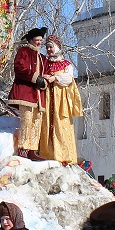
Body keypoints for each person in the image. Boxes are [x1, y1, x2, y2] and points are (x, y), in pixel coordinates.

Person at [37, 35, 83, 163]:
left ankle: (64, 155)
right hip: (46, 100)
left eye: (51, 47)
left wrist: (55, 78)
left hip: (60, 101)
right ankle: (47, 153)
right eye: (47, 47)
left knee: (61, 125)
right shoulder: (44, 63)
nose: (49, 50)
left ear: (57, 47)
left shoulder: (65, 64)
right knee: (46, 125)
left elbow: (69, 78)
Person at [9, 26, 47, 160]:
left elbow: (47, 74)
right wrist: (35, 78)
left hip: (39, 96)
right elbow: (19, 68)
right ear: (31, 40)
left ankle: (32, 149)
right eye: (37, 40)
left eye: (41, 40)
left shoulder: (42, 58)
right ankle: (23, 149)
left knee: (37, 121)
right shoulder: (23, 51)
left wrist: (44, 82)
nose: (39, 43)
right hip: (26, 93)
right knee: (27, 120)